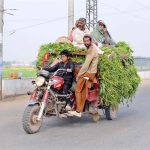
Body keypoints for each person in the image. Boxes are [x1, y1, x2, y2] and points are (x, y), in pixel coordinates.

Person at [68, 35, 103, 117]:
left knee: (77, 90)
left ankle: (78, 111)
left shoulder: (91, 50)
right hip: (90, 72)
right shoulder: (89, 48)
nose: (86, 42)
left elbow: (86, 65)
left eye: (87, 41)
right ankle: (79, 109)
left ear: (90, 41)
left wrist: (79, 75)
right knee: (82, 90)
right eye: (85, 41)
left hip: (89, 73)